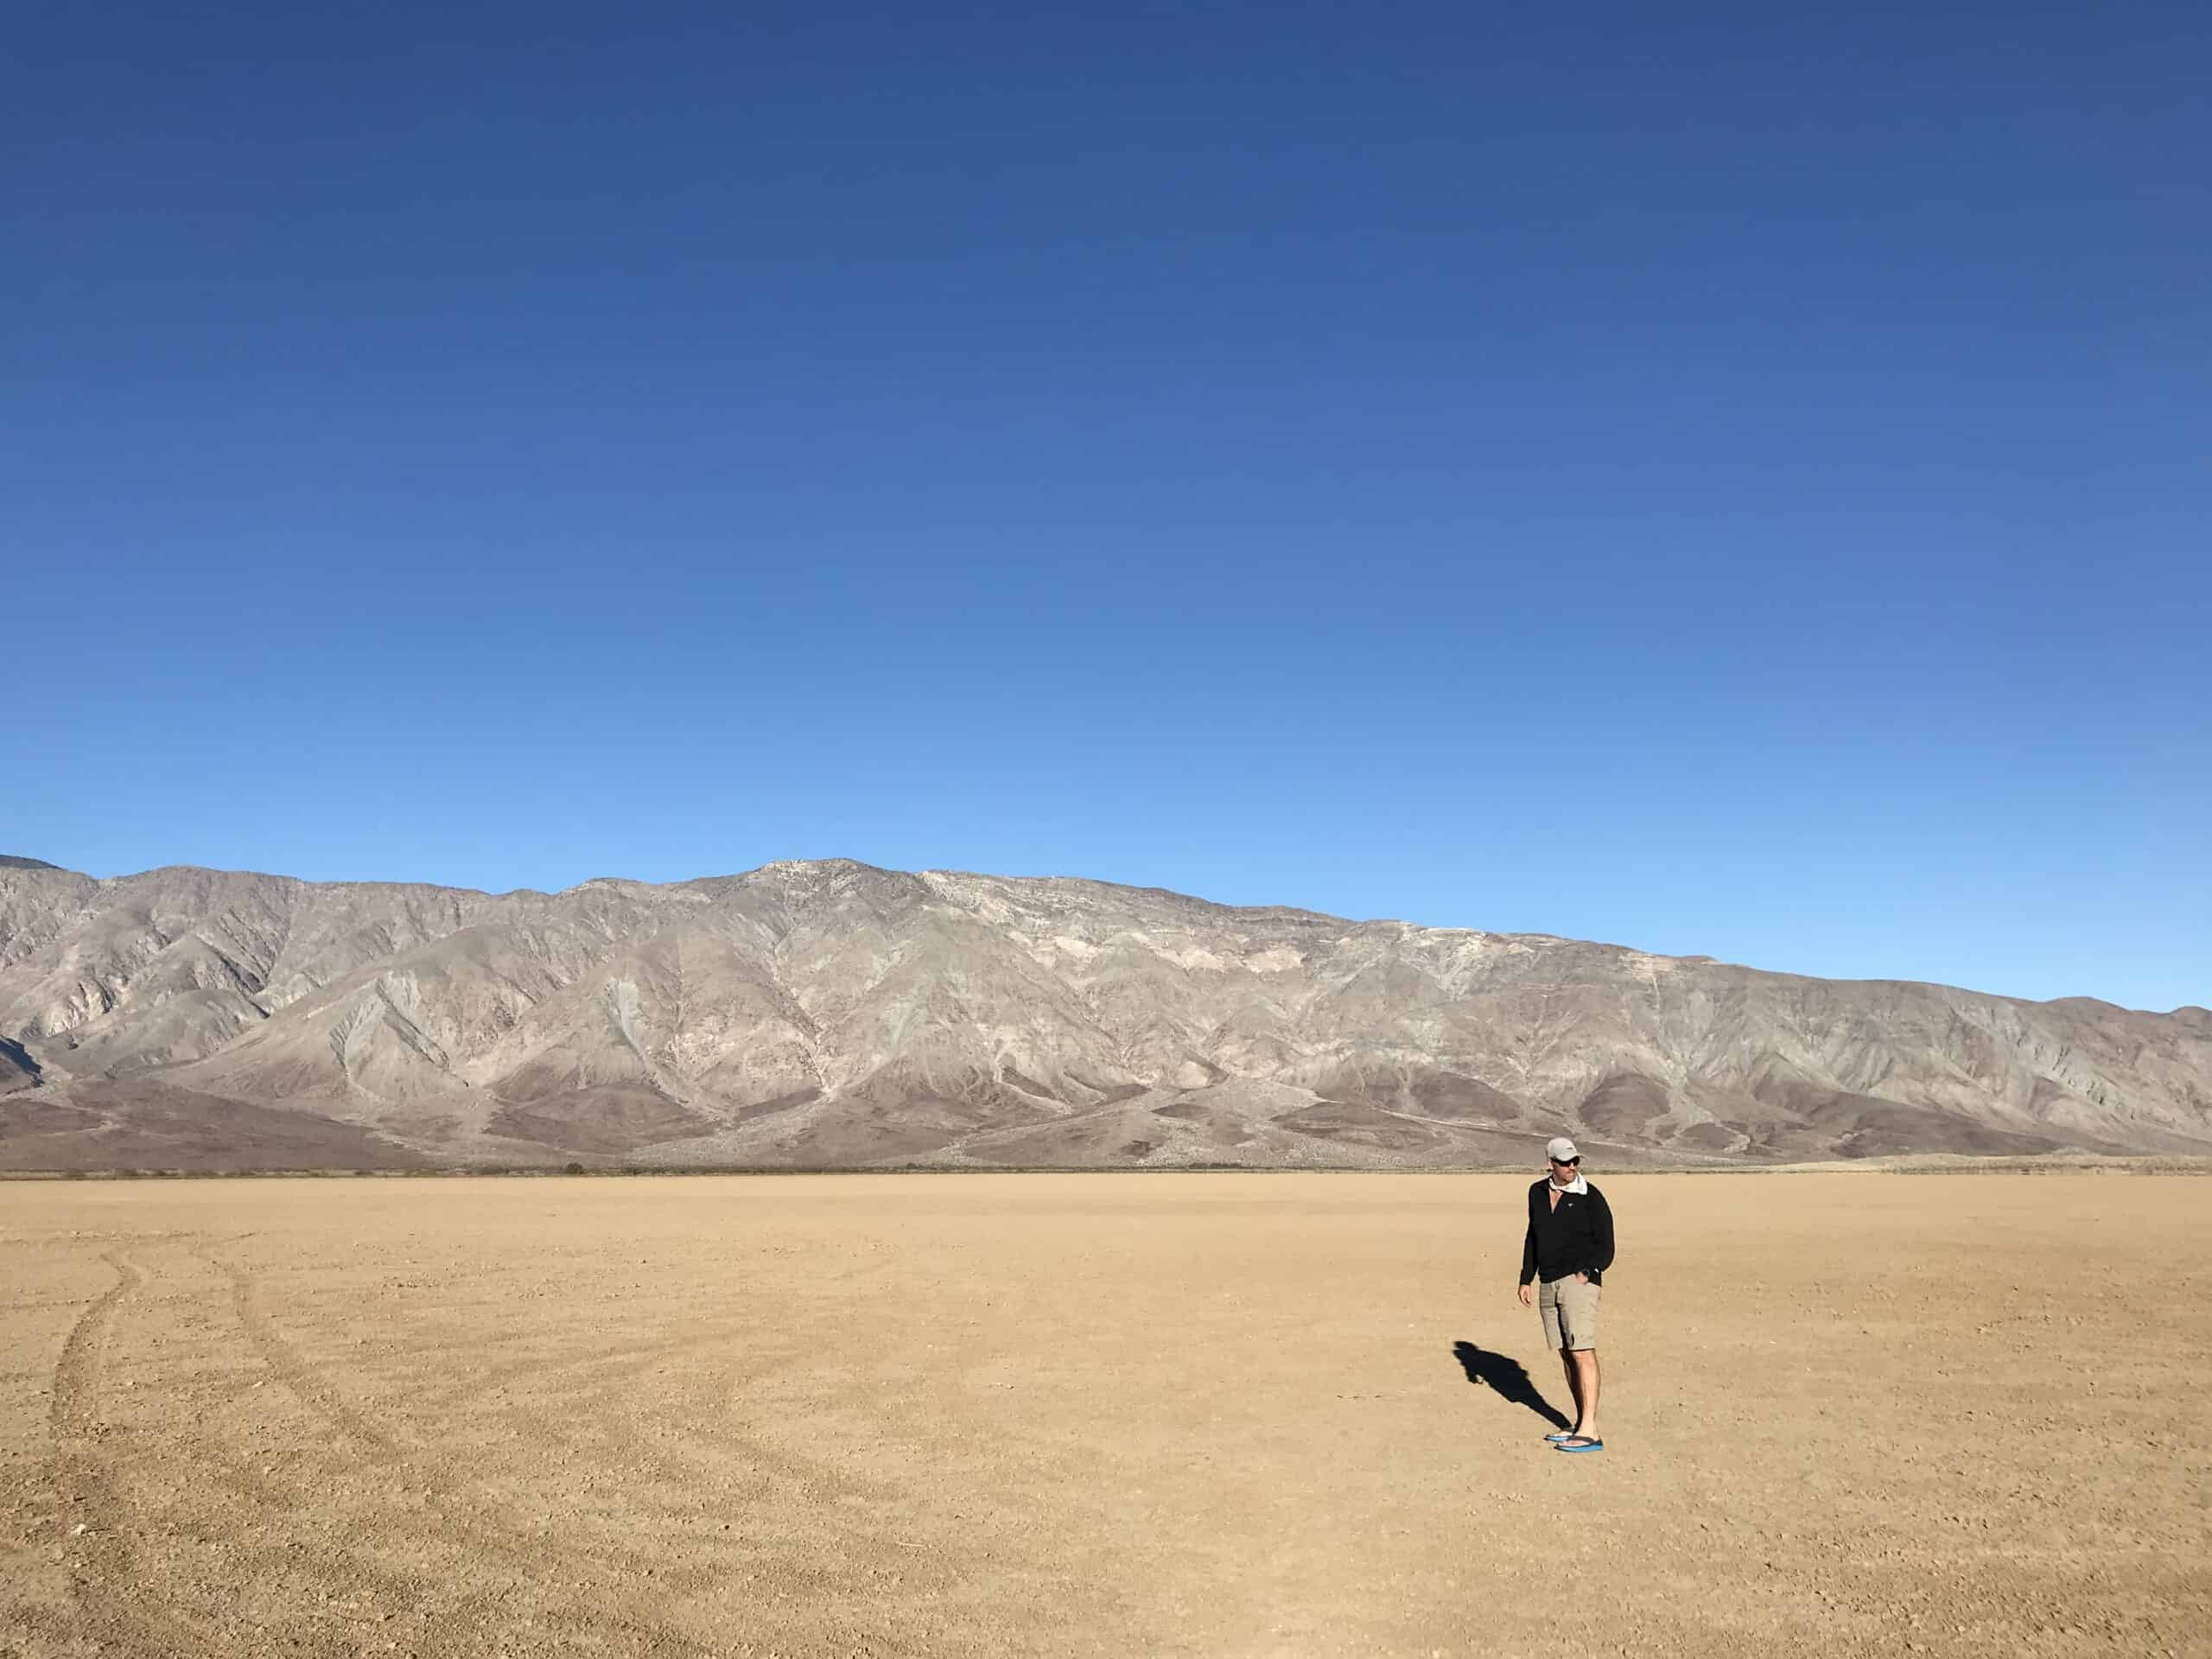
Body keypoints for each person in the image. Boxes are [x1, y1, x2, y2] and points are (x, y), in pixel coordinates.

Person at [1516, 1135, 1614, 1452]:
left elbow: (1607, 1246)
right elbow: (1533, 1235)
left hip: (1579, 1283)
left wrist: (1586, 1274)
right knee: (1566, 1352)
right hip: (1548, 1281)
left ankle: (1590, 1430)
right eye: (1565, 1162)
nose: (1572, 1167)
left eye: (1575, 1162)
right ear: (1550, 1164)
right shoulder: (1536, 1192)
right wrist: (1525, 1278)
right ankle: (1578, 1422)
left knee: (1582, 1350)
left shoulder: (1591, 1197)